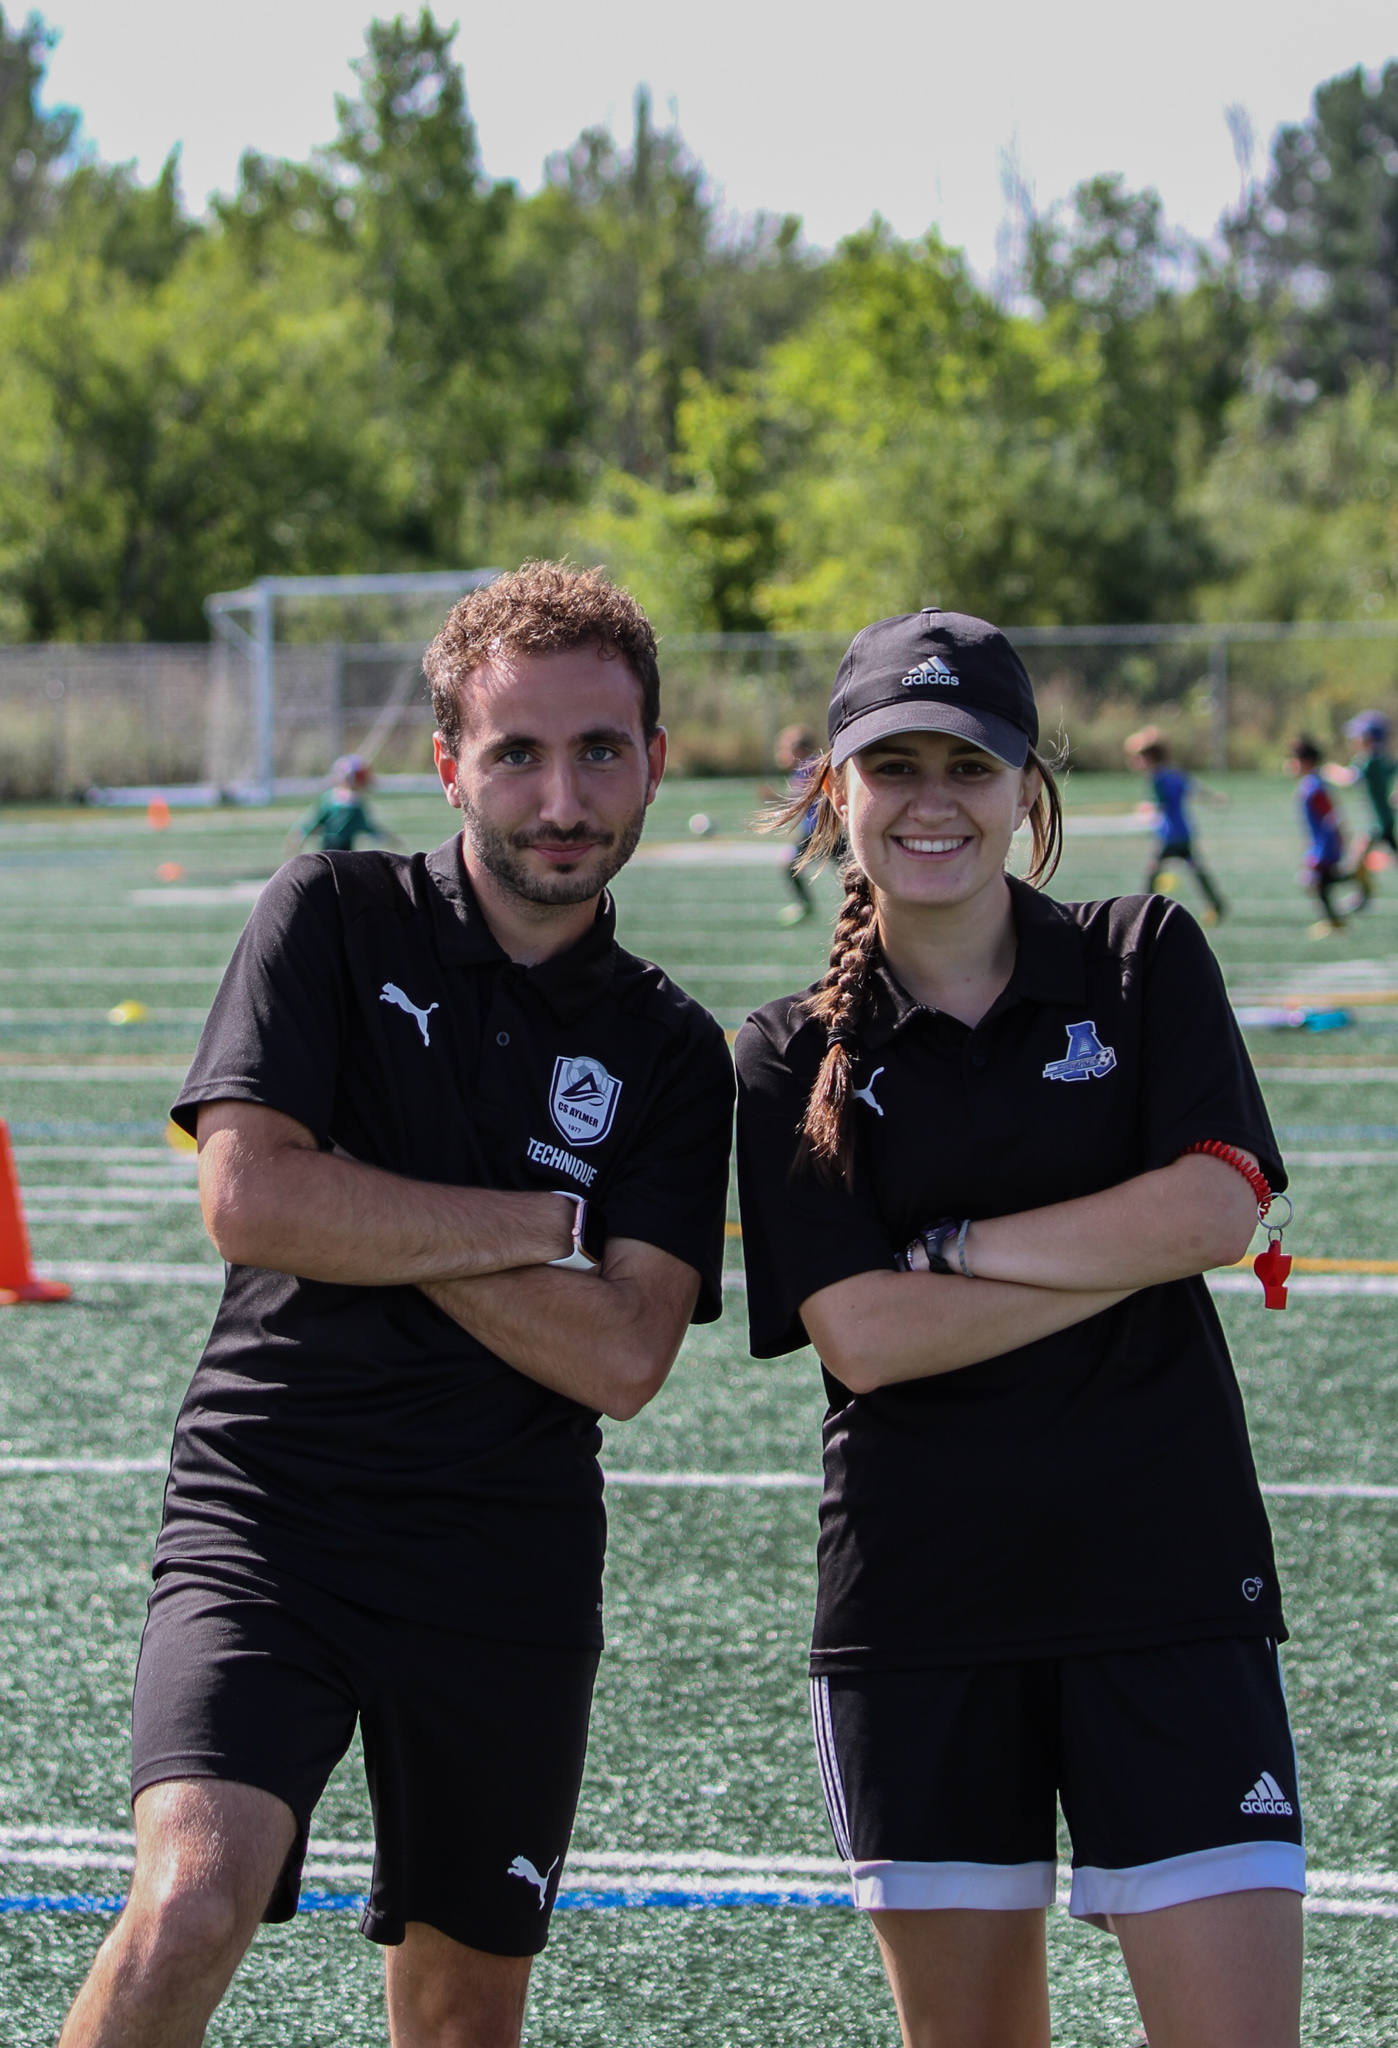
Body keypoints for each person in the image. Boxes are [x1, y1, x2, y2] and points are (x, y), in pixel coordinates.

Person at [60, 563, 736, 2048]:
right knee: (188, 1901)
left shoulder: (675, 1050)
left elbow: (626, 1352)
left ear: (653, 762)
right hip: (271, 1511)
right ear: (446, 763)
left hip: (506, 1555)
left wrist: (365, 1203)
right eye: (516, 752)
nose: (560, 798)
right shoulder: (332, 911)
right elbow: (252, 1200)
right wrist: (539, 1225)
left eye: (598, 752)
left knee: (461, 2012)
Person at [736, 607, 1303, 2048]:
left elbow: (1215, 1208)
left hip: (1169, 1584)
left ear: (1026, 788)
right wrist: (1118, 1248)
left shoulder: (1140, 954)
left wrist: (959, 1247)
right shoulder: (786, 1053)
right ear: (835, 790)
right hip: (923, 1613)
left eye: (970, 766)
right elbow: (865, 1337)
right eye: (894, 766)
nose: (932, 801)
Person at [1124, 726, 1226, 925]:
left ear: (1149, 758)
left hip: (1168, 835)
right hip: (1184, 832)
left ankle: (1143, 911)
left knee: (1151, 874)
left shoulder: (1156, 779)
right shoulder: (1174, 774)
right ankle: (1216, 904)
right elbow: (1195, 788)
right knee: (1196, 870)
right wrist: (1215, 798)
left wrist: (1146, 808)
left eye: (1138, 757)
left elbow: (1161, 805)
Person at [1287, 734, 1351, 936]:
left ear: (1306, 761)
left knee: (1313, 881)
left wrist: (1339, 838)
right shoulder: (1310, 784)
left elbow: (1331, 814)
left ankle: (1334, 919)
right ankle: (1334, 921)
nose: (1290, 764)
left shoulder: (1314, 786)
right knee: (1321, 882)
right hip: (1319, 844)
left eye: (1294, 759)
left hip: (1325, 845)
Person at [1335, 712, 1397, 908]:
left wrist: (1330, 772)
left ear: (1369, 738)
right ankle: (1363, 895)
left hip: (1379, 823)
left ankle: (1363, 896)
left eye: (1358, 735)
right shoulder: (1382, 759)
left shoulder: (1367, 760)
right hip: (1385, 820)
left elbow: (1349, 780)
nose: (1354, 739)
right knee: (1359, 860)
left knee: (1355, 862)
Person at [284, 754, 397, 856]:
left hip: (338, 851)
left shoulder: (339, 801)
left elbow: (312, 824)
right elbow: (313, 823)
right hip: (336, 851)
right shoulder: (341, 803)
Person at [771, 724, 822, 925]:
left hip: (817, 831)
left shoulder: (810, 767)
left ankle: (804, 905)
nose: (782, 753)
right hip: (816, 830)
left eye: (786, 748)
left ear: (799, 749)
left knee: (790, 865)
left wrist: (776, 799)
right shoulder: (803, 770)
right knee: (848, 869)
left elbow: (801, 799)